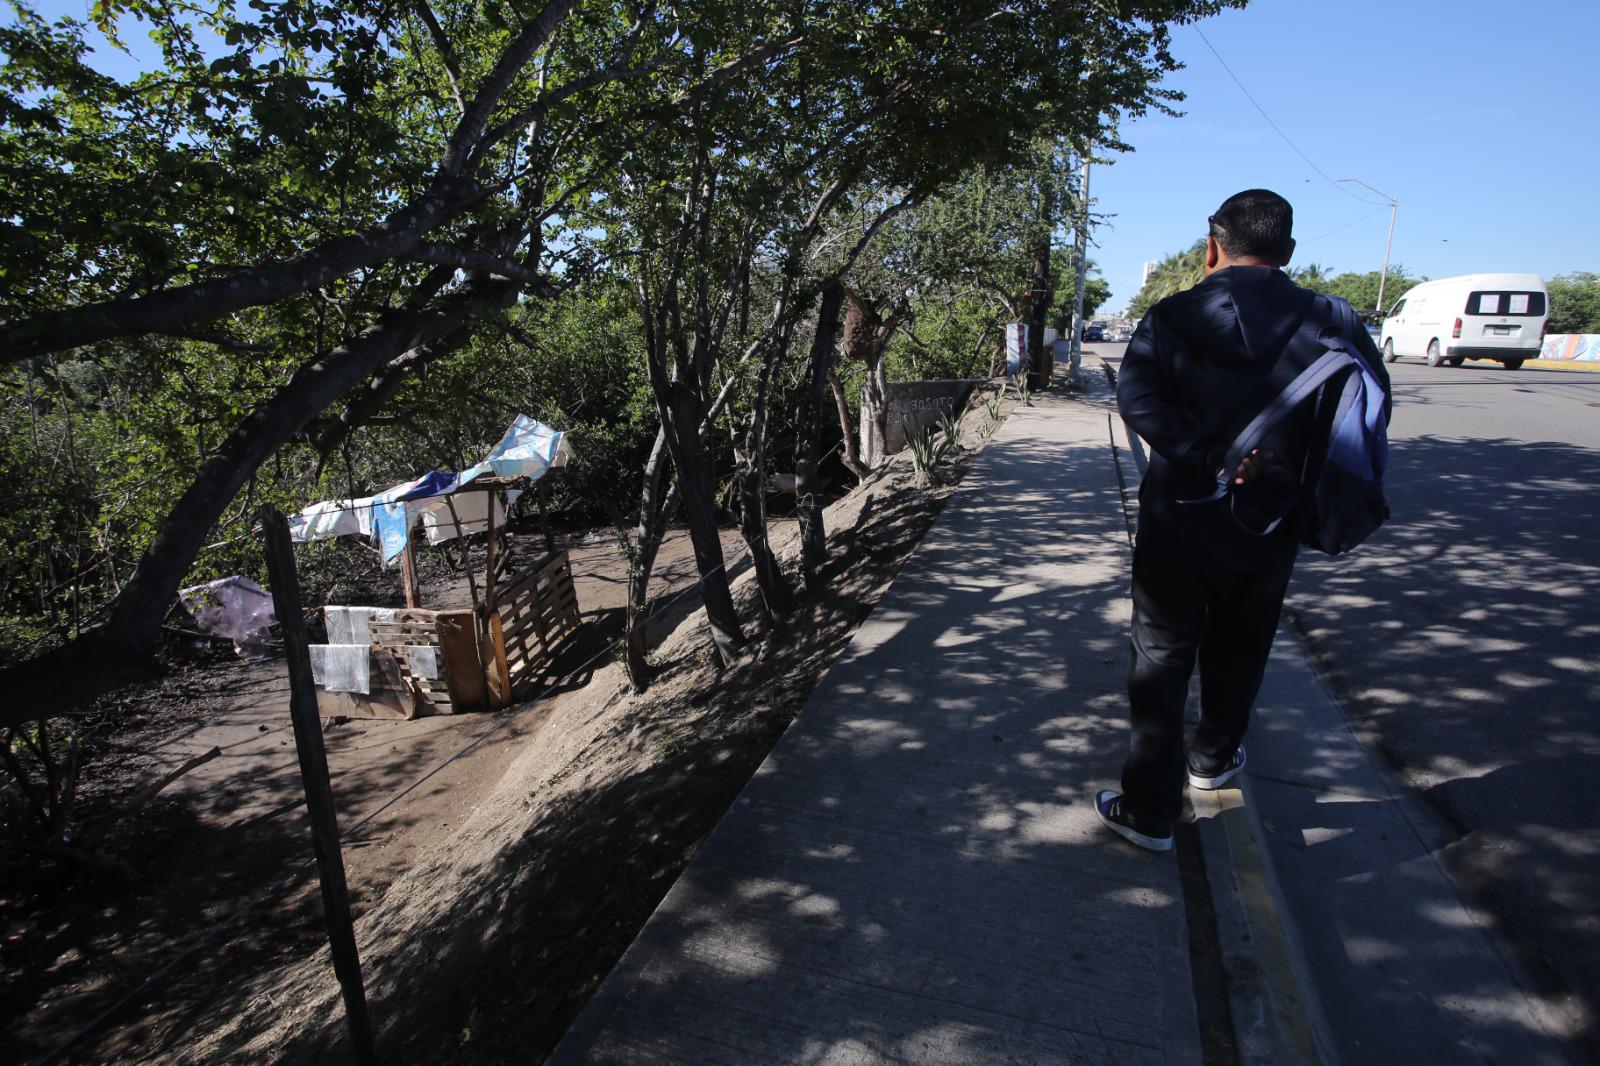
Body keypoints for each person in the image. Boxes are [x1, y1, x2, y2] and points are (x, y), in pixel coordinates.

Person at [1095, 189, 1391, 852]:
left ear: (1212, 246)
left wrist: (1206, 456)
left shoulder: (1172, 315)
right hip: (1270, 525)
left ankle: (1148, 810)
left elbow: (1136, 398)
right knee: (1242, 648)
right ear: (1286, 253)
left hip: (1178, 520)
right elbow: (1363, 416)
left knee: (1160, 660)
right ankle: (1213, 758)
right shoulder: (1331, 319)